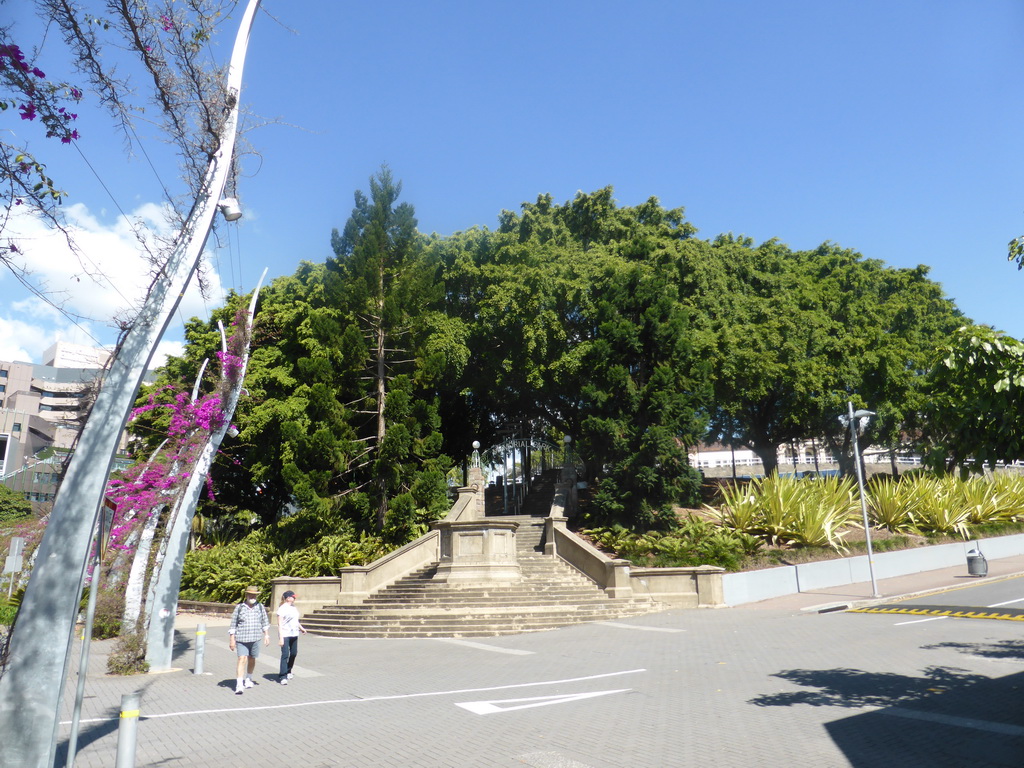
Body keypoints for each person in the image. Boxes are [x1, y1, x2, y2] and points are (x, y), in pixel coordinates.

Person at [228, 585, 270, 694]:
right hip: (242, 638)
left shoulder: (260, 607)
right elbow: (233, 624)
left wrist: (266, 635)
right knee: (242, 659)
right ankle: (239, 684)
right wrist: (232, 639)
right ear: (246, 595)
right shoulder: (240, 607)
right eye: (250, 594)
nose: (252, 596)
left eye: (254, 595)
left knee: (252, 658)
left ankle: (249, 678)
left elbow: (265, 622)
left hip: (255, 638)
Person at [276, 590, 306, 685]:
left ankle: (289, 670)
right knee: (285, 654)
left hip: (294, 633)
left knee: (293, 653)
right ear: (288, 598)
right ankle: (283, 676)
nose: (294, 598)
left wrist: (301, 628)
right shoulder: (282, 608)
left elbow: (295, 620)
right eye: (293, 596)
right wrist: (281, 638)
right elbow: (279, 624)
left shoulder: (293, 608)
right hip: (285, 633)